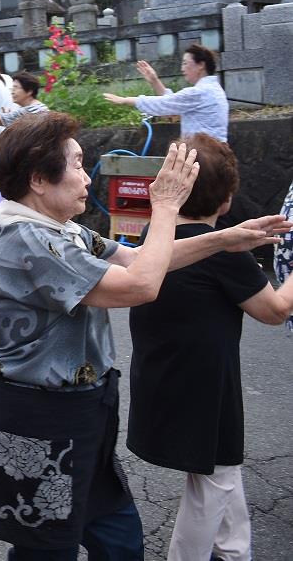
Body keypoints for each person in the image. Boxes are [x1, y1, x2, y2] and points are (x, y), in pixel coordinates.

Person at [0, 113, 285, 560]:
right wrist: (165, 208)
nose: (86, 176)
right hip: (41, 418)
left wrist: (221, 239)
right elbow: (141, 285)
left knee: (117, 539)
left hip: (83, 411)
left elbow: (139, 259)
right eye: (78, 164)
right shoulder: (31, 242)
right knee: (46, 548)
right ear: (40, 179)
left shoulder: (62, 230)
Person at [128, 134, 293, 561]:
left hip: (163, 373)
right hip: (203, 385)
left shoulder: (156, 233)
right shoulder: (220, 246)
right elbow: (274, 310)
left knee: (221, 468)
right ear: (227, 198)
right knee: (214, 477)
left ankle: (235, 551)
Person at [103, 44, 229, 142]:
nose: (182, 68)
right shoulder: (212, 89)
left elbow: (167, 104)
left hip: (204, 157)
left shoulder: (201, 92)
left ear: (201, 65)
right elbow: (173, 104)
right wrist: (154, 81)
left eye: (185, 63)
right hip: (213, 155)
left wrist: (125, 100)